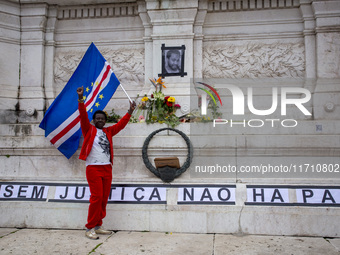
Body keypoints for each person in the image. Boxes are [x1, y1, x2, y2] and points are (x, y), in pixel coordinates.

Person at [77, 86, 136, 240]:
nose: (100, 121)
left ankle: (98, 225)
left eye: (102, 119)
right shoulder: (89, 130)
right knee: (96, 197)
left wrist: (130, 111)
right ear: (94, 120)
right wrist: (81, 99)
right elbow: (83, 116)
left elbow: (121, 125)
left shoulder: (109, 132)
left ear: (105, 121)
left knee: (103, 198)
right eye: (98, 119)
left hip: (107, 168)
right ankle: (89, 227)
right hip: (93, 168)